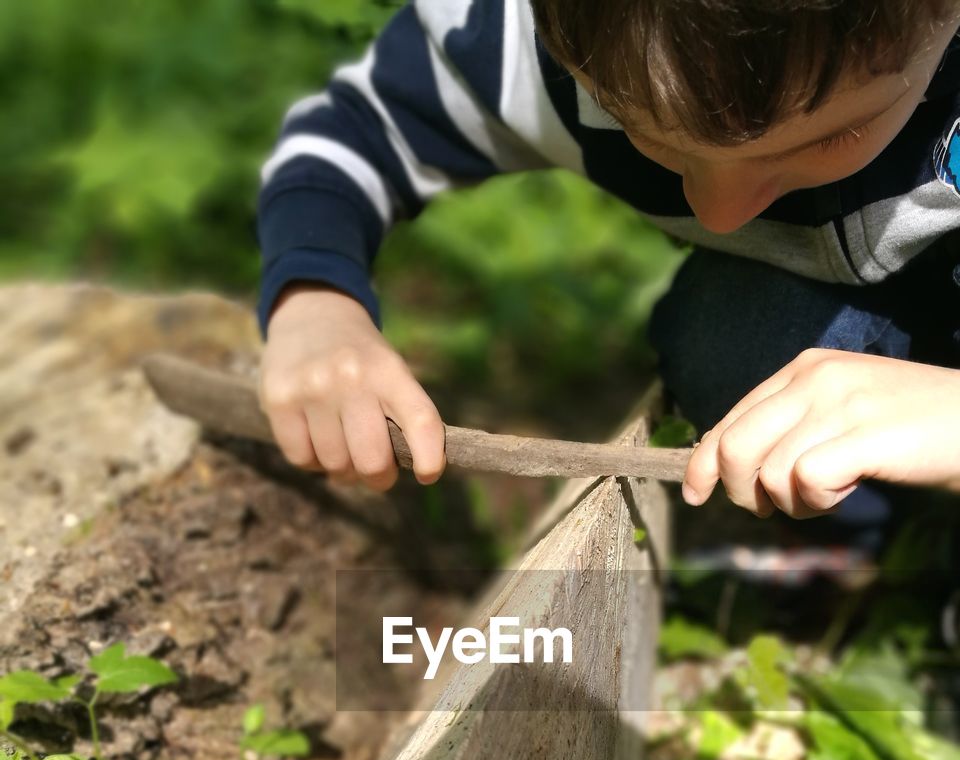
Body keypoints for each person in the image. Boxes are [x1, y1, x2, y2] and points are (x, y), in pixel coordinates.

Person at [256, 0, 960, 519]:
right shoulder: (531, 44)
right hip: (814, 310)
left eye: (832, 137)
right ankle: (878, 535)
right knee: (738, 364)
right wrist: (317, 306)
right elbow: (349, 138)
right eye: (640, 130)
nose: (719, 212)